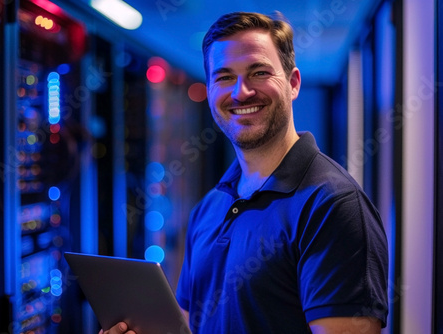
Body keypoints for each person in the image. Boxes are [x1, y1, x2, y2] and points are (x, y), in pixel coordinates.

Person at [101, 11, 388, 334]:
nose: (241, 92)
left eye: (258, 72)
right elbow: (189, 325)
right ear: (209, 91)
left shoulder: (333, 205)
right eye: (224, 77)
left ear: (293, 83)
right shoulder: (209, 207)